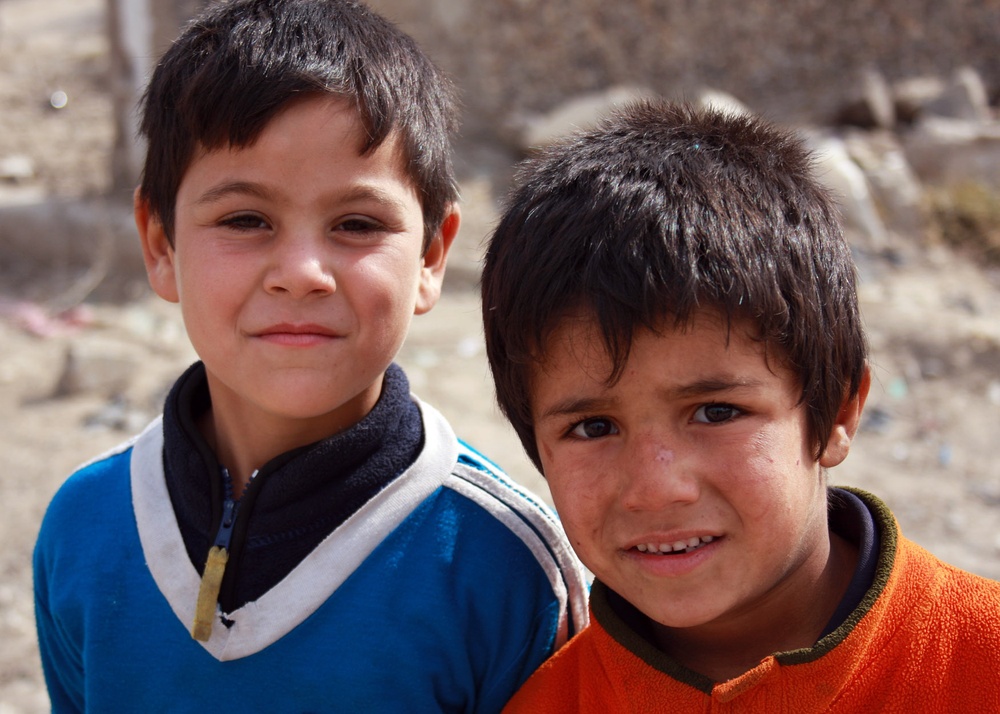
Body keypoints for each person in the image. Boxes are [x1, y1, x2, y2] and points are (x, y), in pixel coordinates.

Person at [32, 1, 588, 710]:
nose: (301, 271)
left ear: (431, 255)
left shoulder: (502, 563)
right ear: (160, 244)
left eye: (356, 224)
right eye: (245, 220)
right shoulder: (86, 526)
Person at [480, 100, 1000, 712]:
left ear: (835, 413)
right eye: (593, 427)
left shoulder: (977, 662)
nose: (656, 487)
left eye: (717, 412)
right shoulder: (548, 703)